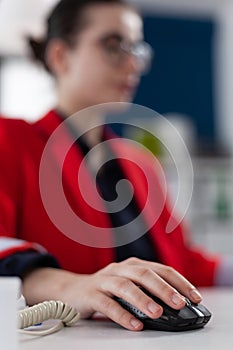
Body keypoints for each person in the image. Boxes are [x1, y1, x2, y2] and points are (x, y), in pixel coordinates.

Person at [0, 0, 231, 331]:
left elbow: (184, 263)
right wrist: (72, 286)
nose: (132, 63)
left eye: (136, 48)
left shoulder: (139, 165)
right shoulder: (10, 139)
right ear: (60, 56)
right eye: (113, 46)